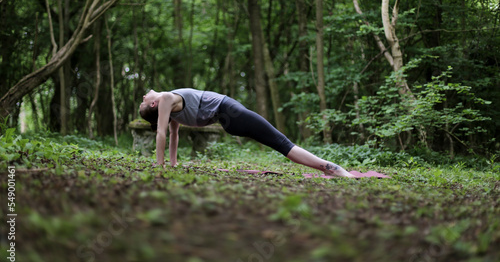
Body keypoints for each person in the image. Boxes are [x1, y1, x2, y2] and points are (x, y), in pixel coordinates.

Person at [139, 88, 355, 178]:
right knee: (282, 143)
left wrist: (173, 164)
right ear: (154, 105)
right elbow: (163, 133)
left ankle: (328, 169)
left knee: (280, 143)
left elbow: (174, 135)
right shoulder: (166, 98)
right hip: (230, 112)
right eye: (144, 101)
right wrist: (160, 166)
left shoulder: (171, 109)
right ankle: (333, 169)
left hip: (229, 116)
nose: (143, 96)